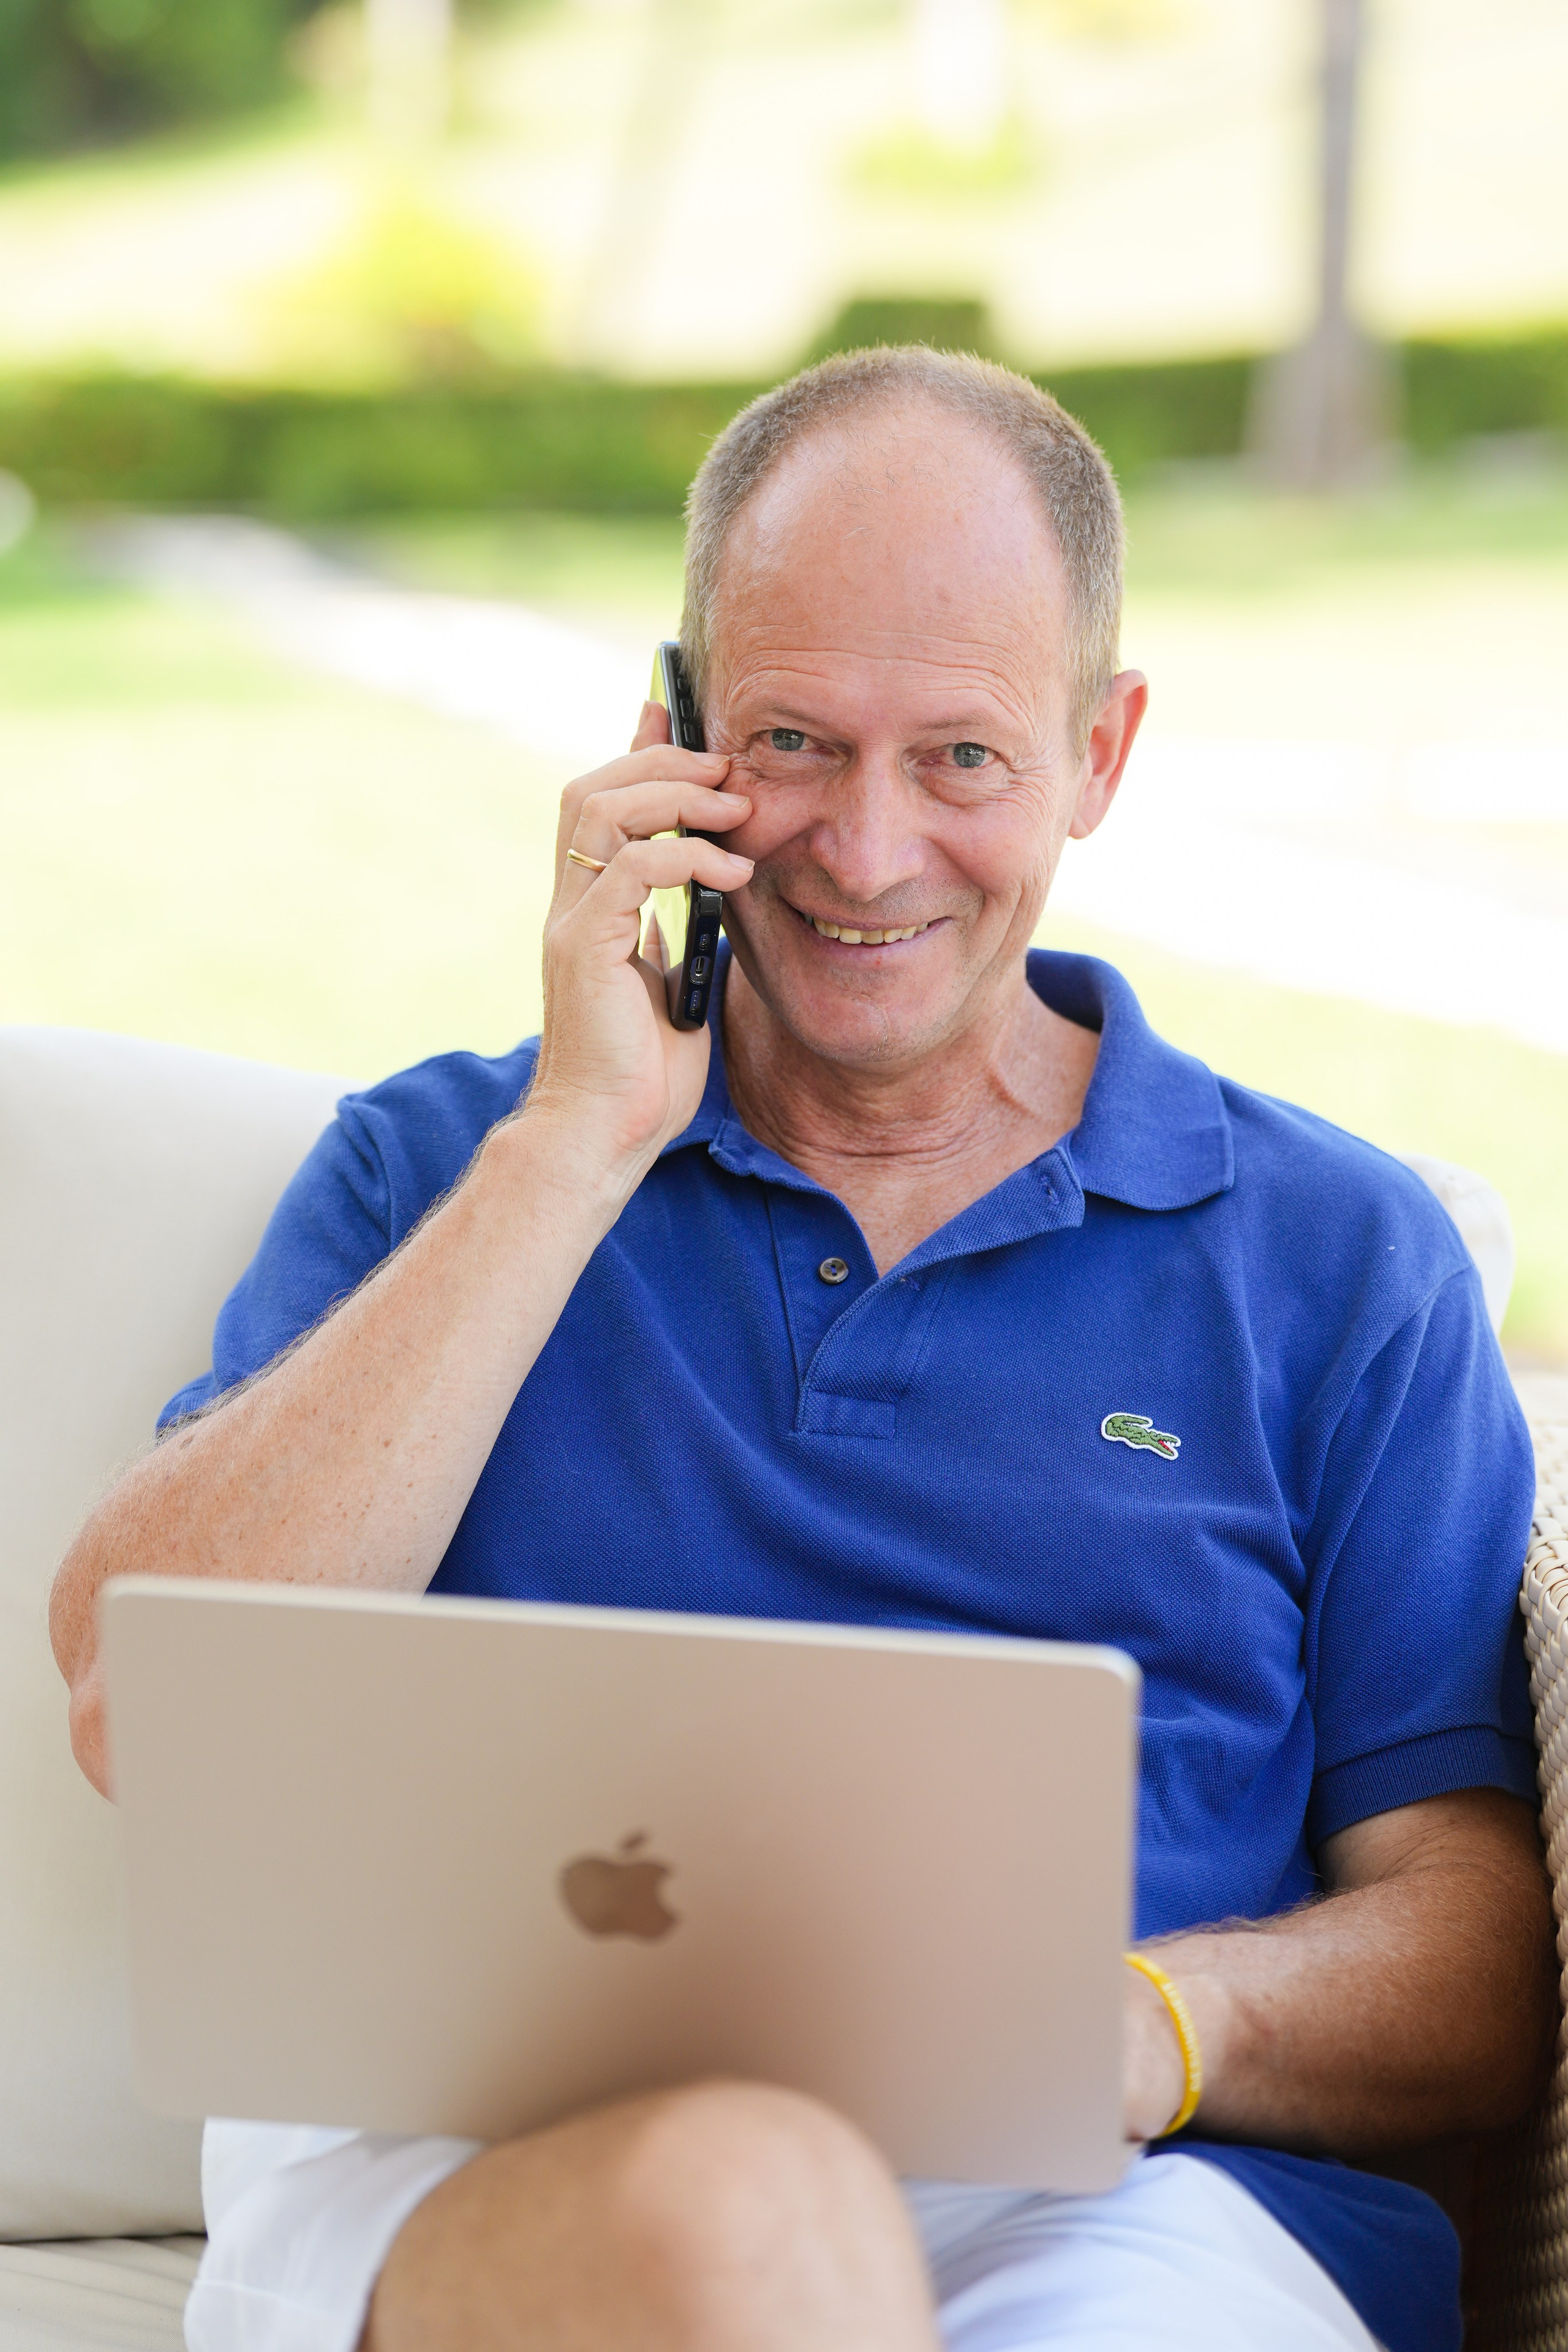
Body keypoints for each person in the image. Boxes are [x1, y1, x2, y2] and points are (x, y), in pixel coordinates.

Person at [51, 347, 1553, 2352]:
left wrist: (1150, 2022)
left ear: (1099, 756)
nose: (861, 850)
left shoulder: (1340, 1261)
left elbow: (1474, 1963)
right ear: (670, 731)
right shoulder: (446, 1165)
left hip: (1129, 2204)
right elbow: (146, 1704)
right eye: (788, 741)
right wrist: (577, 1145)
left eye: (960, 758)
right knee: (750, 2215)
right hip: (514, 2174)